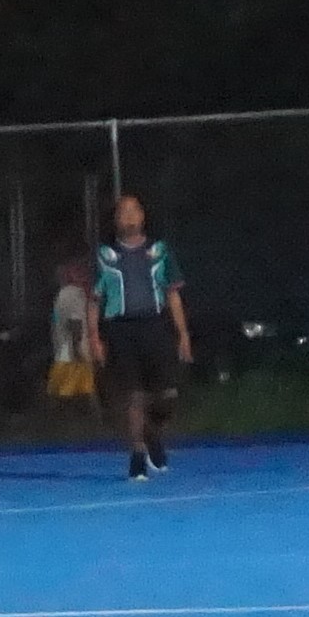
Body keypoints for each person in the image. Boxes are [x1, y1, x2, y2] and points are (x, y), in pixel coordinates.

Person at [95, 196, 189, 478]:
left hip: (155, 325)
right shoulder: (105, 256)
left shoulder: (158, 251)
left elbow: (172, 293)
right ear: (115, 220)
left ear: (143, 216)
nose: (129, 216)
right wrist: (94, 338)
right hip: (121, 329)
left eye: (134, 210)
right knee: (134, 395)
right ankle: (137, 454)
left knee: (167, 394)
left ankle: (151, 434)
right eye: (123, 212)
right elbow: (94, 299)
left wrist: (183, 333)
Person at [45, 256, 100, 406]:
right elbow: (75, 322)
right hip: (75, 354)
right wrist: (78, 350)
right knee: (82, 396)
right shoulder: (74, 294)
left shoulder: (62, 295)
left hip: (63, 354)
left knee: (63, 396)